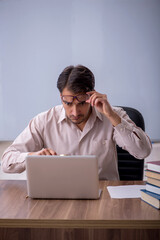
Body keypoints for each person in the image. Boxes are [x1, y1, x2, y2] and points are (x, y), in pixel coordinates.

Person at [1, 65, 152, 180]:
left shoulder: (113, 115)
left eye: (81, 103)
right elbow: (6, 161)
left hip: (105, 199)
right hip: (60, 198)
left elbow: (143, 151)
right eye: (68, 104)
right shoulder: (44, 121)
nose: (75, 112)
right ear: (61, 97)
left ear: (92, 95)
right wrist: (33, 156)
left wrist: (112, 116)